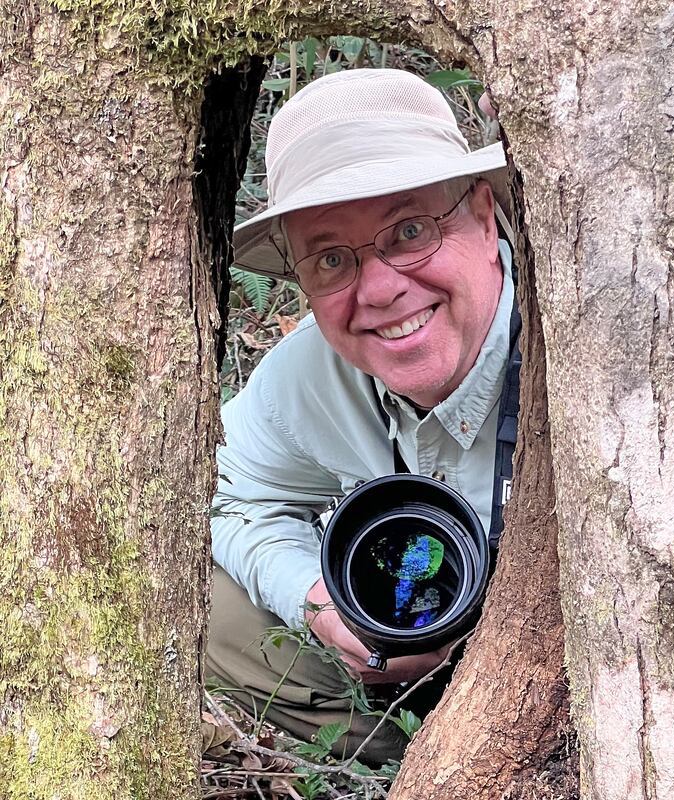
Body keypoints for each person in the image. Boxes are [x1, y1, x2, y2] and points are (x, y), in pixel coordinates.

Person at [206, 68, 515, 764]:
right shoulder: (310, 375)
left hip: (582, 673)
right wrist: (319, 606)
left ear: (484, 215)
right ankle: (419, 766)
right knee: (204, 608)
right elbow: (223, 496)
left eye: (409, 229)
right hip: (398, 689)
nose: (378, 289)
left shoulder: (585, 360)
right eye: (332, 259)